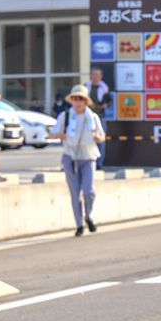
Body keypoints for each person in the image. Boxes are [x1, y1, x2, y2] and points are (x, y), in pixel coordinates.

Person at [48, 84, 106, 236]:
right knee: (75, 193)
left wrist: (97, 138)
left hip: (88, 157)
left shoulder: (92, 117)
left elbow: (102, 136)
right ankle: (79, 224)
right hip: (70, 157)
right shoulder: (65, 116)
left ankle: (89, 215)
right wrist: (60, 135)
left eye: (80, 99)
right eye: (75, 99)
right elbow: (52, 134)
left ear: (86, 101)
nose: (78, 102)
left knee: (89, 191)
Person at [85, 68, 111, 171]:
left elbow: (109, 101)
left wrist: (105, 104)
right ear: (91, 76)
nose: (95, 77)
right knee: (87, 139)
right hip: (87, 116)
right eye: (93, 75)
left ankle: (99, 164)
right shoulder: (86, 87)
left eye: (97, 75)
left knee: (100, 141)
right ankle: (88, 162)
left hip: (100, 116)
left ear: (101, 77)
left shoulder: (104, 88)